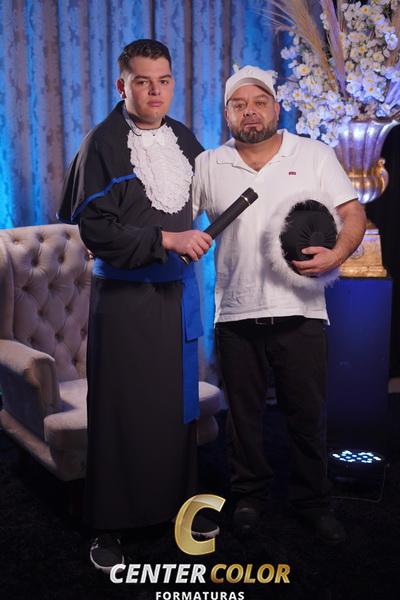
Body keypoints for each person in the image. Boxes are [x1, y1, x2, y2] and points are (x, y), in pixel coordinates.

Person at [58, 39, 214, 572]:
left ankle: (176, 508)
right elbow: (96, 231)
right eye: (143, 82)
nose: (155, 92)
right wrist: (168, 240)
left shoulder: (183, 138)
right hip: (125, 302)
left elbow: (205, 197)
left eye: (164, 81)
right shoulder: (102, 144)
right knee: (123, 412)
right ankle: (110, 525)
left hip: (175, 296)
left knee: (173, 408)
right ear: (122, 85)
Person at [192, 65, 366, 544]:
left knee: (307, 414)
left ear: (276, 107)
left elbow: (353, 212)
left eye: (259, 102)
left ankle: (313, 501)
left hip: (301, 309)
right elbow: (178, 220)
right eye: (238, 105)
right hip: (235, 311)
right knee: (243, 418)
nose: (249, 112)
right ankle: (249, 496)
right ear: (227, 113)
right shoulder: (208, 164)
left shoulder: (313, 154)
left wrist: (337, 254)